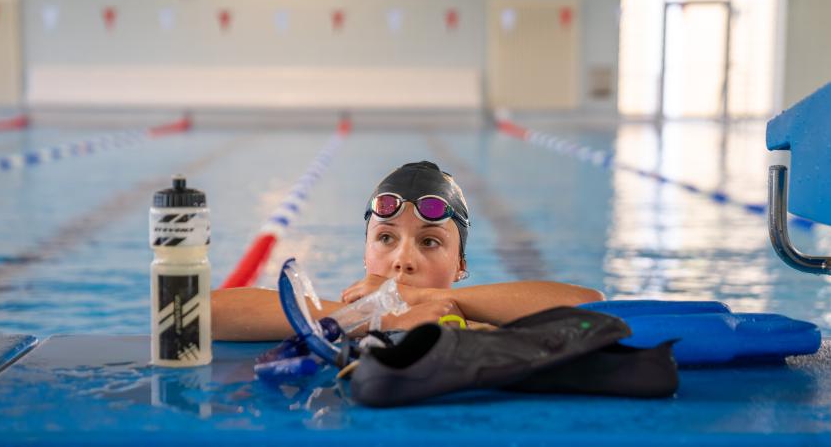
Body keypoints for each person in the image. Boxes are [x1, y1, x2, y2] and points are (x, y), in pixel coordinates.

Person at [212, 161, 604, 341]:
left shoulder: (480, 319)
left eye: (429, 241)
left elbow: (589, 305)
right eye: (385, 238)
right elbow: (204, 313)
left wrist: (424, 298)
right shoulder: (337, 318)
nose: (402, 259)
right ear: (366, 253)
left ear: (461, 263)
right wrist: (371, 320)